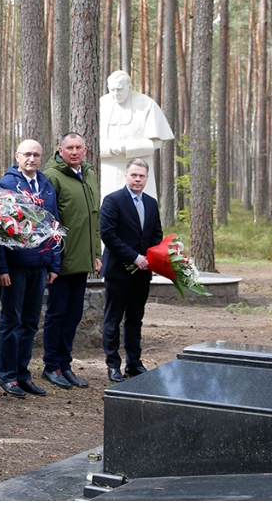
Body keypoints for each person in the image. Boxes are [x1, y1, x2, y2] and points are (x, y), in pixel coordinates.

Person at [0, 140, 61, 398]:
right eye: (27, 154)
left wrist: (54, 263)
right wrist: (0, 268)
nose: (32, 158)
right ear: (17, 156)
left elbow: (54, 225)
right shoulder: (4, 185)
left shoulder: (46, 187)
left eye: (36, 155)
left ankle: (22, 374)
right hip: (15, 266)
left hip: (40, 265)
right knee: (12, 321)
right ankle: (7, 376)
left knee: (30, 323)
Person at [40, 132, 102, 389]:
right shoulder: (52, 176)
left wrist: (96, 254)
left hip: (83, 259)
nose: (74, 152)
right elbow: (47, 221)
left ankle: (65, 364)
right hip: (62, 260)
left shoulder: (88, 175)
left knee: (74, 314)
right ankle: (50, 365)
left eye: (78, 148)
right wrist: (51, 260)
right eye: (69, 148)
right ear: (61, 150)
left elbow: (93, 219)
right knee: (57, 313)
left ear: (85, 151)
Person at [99, 159, 163, 383]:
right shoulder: (113, 201)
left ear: (147, 178)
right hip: (119, 270)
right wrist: (134, 257)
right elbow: (108, 234)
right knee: (113, 319)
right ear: (126, 176)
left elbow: (156, 234)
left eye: (142, 176)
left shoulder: (152, 203)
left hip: (143, 272)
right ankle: (113, 365)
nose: (137, 179)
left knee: (136, 319)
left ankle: (134, 363)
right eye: (134, 175)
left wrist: (152, 258)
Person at [97, 70, 174, 200]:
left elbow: (158, 141)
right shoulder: (100, 104)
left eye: (120, 89)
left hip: (138, 171)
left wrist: (126, 147)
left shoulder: (146, 104)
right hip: (107, 172)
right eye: (112, 89)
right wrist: (109, 148)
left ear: (130, 87)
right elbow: (85, 142)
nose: (116, 94)